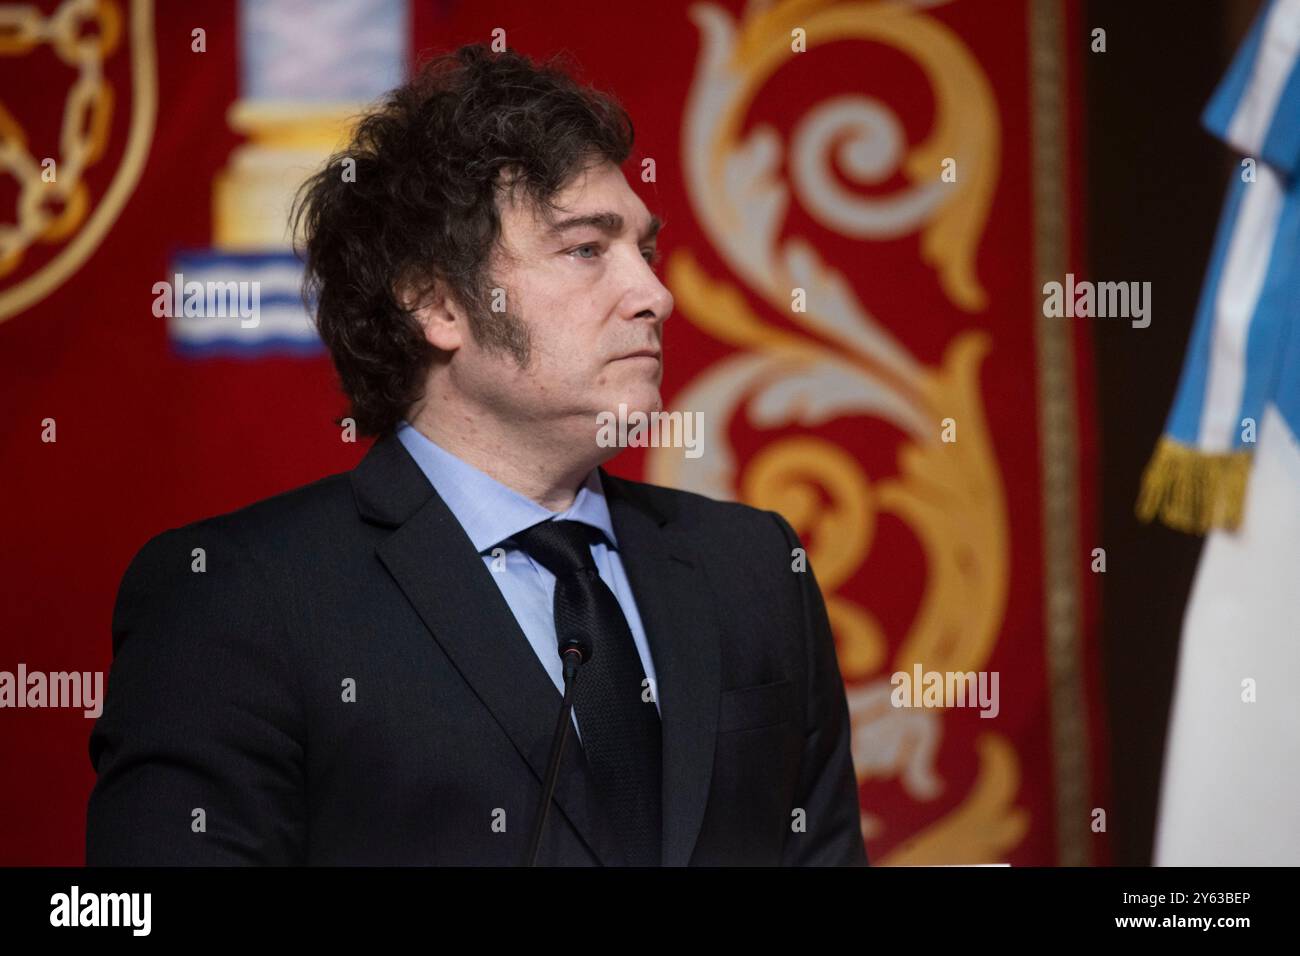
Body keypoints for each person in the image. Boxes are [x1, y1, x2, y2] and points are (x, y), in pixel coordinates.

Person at [85, 43, 867, 867]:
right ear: (437, 303)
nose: (655, 294)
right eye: (586, 249)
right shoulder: (236, 598)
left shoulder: (751, 567)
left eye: (645, 248)